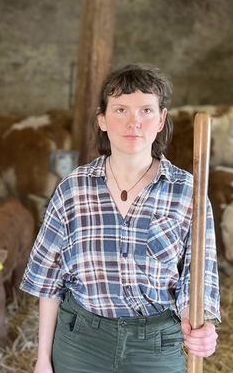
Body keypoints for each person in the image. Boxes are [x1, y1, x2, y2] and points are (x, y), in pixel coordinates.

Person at [20, 63, 221, 373]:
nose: (134, 123)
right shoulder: (73, 189)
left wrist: (200, 326)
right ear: (102, 119)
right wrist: (43, 359)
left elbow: (199, 277)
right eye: (121, 110)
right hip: (81, 343)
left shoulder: (188, 193)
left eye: (146, 111)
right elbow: (49, 282)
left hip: (155, 346)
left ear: (161, 120)